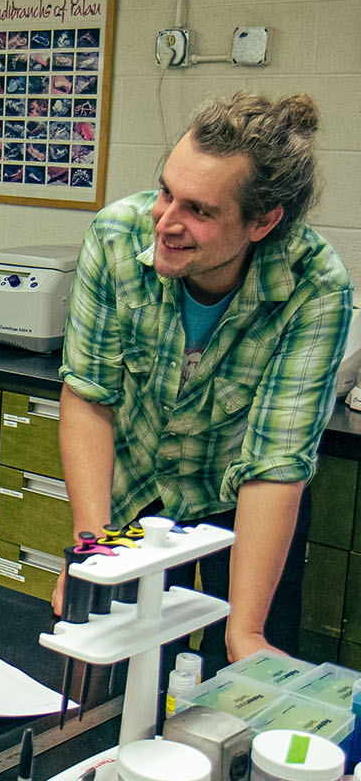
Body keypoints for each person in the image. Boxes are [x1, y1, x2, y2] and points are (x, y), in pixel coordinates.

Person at [57, 92, 349, 668]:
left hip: (244, 501)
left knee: (238, 671)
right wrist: (95, 554)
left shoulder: (316, 287)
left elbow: (275, 465)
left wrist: (244, 632)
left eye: (199, 210)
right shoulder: (117, 238)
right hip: (138, 487)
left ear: (264, 221)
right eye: (166, 191)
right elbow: (89, 397)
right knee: (117, 667)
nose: (165, 223)